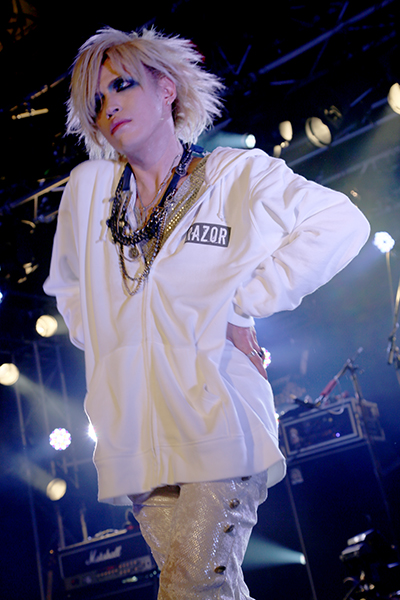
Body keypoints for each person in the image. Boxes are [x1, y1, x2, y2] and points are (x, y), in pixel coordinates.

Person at [44, 26, 370, 600]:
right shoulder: (89, 191)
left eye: (122, 85)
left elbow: (341, 223)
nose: (109, 105)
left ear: (166, 88)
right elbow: (68, 288)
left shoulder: (233, 176)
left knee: (190, 586)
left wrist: (242, 305)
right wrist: (115, 350)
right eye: (95, 101)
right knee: (208, 592)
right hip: (134, 438)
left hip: (219, 418)